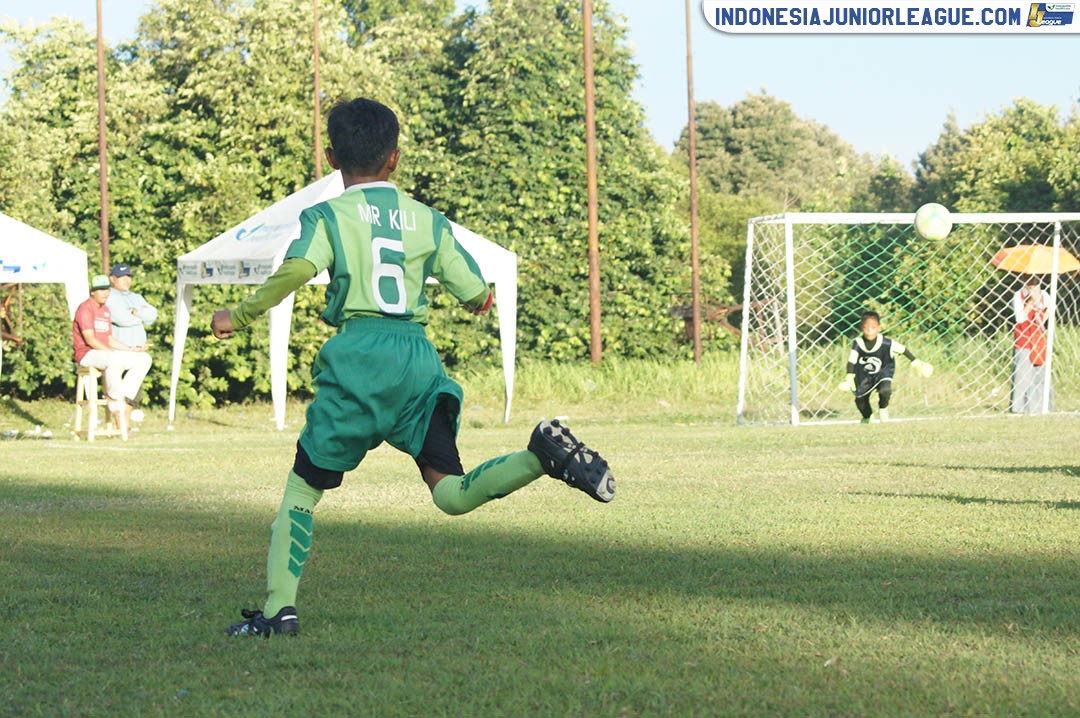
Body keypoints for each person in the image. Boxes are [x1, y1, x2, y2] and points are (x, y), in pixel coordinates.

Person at [213, 98, 615, 639]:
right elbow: (475, 290)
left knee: (303, 491)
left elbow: (298, 269)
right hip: (417, 362)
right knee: (450, 493)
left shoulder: (326, 216)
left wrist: (236, 315)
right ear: (395, 158)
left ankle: (278, 611)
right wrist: (477, 301)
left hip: (359, 358)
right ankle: (538, 456)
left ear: (331, 156)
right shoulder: (429, 220)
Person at [72, 274, 153, 428]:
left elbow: (108, 339)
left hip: (104, 353)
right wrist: (112, 353)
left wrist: (130, 349)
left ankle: (124, 396)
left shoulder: (105, 310)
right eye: (101, 290)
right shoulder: (85, 308)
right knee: (114, 359)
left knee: (144, 359)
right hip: (86, 354)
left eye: (107, 290)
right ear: (92, 292)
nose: (105, 293)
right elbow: (90, 340)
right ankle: (114, 400)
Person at [839, 310, 933, 423]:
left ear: (879, 328)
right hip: (864, 374)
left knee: (885, 390)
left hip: (883, 372)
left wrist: (916, 362)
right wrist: (849, 377)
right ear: (861, 328)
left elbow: (903, 349)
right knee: (860, 400)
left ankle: (883, 409)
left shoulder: (886, 343)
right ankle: (868, 417)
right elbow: (851, 361)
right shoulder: (858, 343)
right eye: (866, 327)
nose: (869, 330)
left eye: (873, 327)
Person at [1010, 274, 1054, 414]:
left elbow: (1050, 310)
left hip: (1038, 338)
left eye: (1034, 279)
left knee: (1040, 373)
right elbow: (1019, 318)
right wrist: (1029, 304)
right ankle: (1019, 407)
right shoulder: (1018, 296)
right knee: (1022, 373)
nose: (1031, 282)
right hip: (1024, 339)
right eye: (1028, 279)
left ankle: (1041, 405)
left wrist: (1044, 316)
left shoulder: (1044, 295)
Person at [105, 263, 158, 348]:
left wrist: (136, 312)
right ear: (112, 279)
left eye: (128, 277)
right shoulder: (108, 297)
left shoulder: (136, 297)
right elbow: (123, 320)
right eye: (122, 277)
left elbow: (153, 315)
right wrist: (143, 317)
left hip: (140, 349)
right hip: (120, 350)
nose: (126, 280)